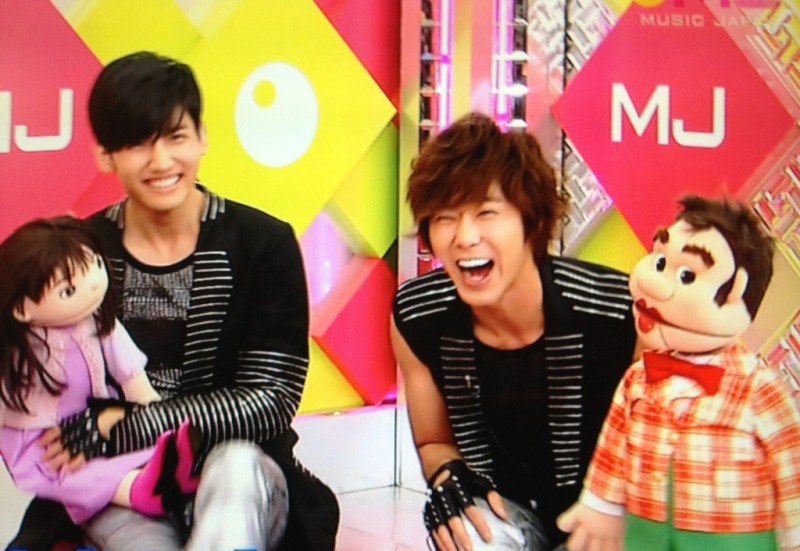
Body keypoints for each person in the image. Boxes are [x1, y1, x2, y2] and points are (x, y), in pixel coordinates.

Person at [8, 51, 339, 551]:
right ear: (105, 155)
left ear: (202, 136)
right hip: (120, 481)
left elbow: (270, 401)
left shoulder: (262, 243)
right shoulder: (80, 256)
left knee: (233, 467)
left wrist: (130, 424)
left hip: (240, 473)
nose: (161, 162)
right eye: (138, 144)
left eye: (175, 137)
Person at [391, 112, 638, 550]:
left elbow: (664, 447)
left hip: (610, 515)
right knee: (471, 535)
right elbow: (433, 441)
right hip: (506, 511)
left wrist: (618, 509)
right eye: (445, 217)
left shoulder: (615, 311)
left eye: (486, 212)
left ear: (532, 221)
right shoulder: (418, 315)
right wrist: (449, 484)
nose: (465, 237)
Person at [558, 196, 800, 551]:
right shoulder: (639, 378)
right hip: (646, 537)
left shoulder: (758, 388)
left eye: (686, 275)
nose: (653, 283)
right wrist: (601, 507)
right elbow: (613, 449)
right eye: (659, 262)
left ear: (735, 292)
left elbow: (790, 463)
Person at [0, 215, 199, 523]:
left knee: (133, 447)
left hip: (96, 416)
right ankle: (139, 490)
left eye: (95, 264)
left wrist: (152, 410)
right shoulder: (17, 347)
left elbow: (130, 373)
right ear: (21, 308)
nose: (93, 285)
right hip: (38, 439)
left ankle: (173, 470)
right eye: (68, 290)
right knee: (66, 473)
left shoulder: (100, 324)